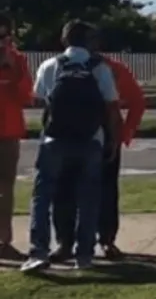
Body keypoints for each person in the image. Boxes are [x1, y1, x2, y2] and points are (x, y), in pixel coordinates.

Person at [22, 20, 121, 272]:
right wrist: (112, 140)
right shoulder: (99, 68)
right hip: (90, 139)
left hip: (54, 140)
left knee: (43, 196)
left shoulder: (50, 66)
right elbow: (111, 107)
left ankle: (39, 252)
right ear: (90, 42)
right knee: (88, 197)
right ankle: (84, 255)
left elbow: (38, 100)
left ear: (64, 40)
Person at [51, 34, 146, 262]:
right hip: (103, 134)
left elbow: (41, 99)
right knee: (103, 191)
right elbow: (137, 101)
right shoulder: (111, 68)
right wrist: (125, 133)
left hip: (68, 135)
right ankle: (104, 240)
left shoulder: (57, 65)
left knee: (66, 190)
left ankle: (69, 242)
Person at [0, 14, 33, 260]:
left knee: (5, 188)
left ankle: (4, 241)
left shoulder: (18, 60)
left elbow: (26, 96)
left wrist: (10, 66)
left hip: (8, 132)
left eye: (4, 36)